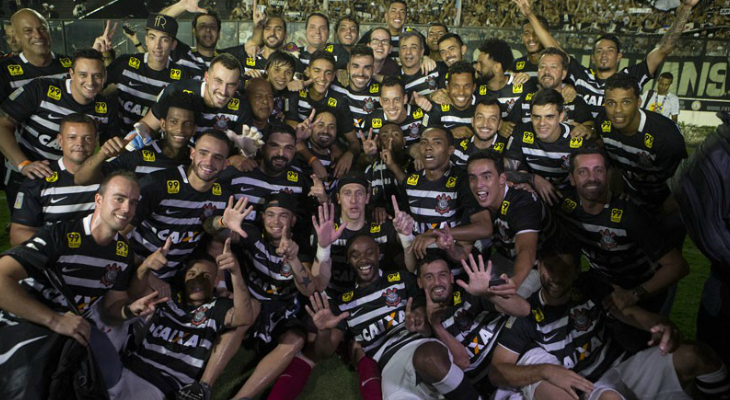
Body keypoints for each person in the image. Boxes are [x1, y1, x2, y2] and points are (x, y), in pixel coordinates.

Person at [0, 171, 169, 398]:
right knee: (29, 387)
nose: (127, 209)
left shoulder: (123, 253)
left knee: (108, 379)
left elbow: (111, 311)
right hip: (31, 319)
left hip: (75, 328)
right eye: (119, 199)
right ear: (98, 199)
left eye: (133, 202)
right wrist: (55, 320)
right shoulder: (59, 234)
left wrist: (130, 310)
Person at [490, 243, 730, 400]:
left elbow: (625, 311)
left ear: (576, 271)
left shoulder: (590, 286)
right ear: (539, 266)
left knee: (698, 355)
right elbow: (497, 372)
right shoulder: (527, 312)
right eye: (550, 268)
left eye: (565, 269)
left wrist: (658, 323)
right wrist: (546, 371)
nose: (556, 277)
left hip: (623, 367)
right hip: (590, 387)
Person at [306, 234, 485, 400]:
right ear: (348, 260)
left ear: (378, 253)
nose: (363, 259)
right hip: (390, 366)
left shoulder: (401, 278)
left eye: (369, 252)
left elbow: (426, 316)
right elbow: (324, 353)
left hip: (418, 345)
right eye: (355, 255)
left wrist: (419, 320)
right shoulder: (344, 303)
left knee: (427, 358)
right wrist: (322, 332)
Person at [208, 193, 317, 400]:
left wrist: (293, 260)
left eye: (283, 216)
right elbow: (212, 236)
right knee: (253, 305)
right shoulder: (250, 234)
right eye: (270, 215)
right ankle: (203, 387)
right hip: (251, 305)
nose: (275, 222)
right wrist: (222, 221)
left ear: (293, 220)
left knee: (297, 339)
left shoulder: (301, 246)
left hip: (281, 312)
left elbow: (309, 289)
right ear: (263, 217)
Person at [559, 144, 689, 317]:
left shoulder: (631, 215)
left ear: (609, 174)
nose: (592, 178)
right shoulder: (565, 208)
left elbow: (678, 266)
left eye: (598, 170)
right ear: (572, 178)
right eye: (583, 171)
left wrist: (634, 294)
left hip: (642, 294)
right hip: (603, 286)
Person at [109, 246, 254, 400]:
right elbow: (135, 292)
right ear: (185, 277)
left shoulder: (217, 307)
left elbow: (244, 317)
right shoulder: (169, 296)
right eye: (192, 274)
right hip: (126, 368)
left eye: (206, 276)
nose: (197, 279)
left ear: (215, 282)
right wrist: (145, 266)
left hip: (161, 385)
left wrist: (235, 273)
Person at [513, 0, 700, 116]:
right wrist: (530, 14)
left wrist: (685, 9)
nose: (604, 55)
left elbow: (664, 48)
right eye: (599, 51)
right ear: (592, 57)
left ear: (619, 56)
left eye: (610, 50)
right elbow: (554, 48)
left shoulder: (630, 77)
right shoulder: (581, 76)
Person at [0, 48, 117, 214]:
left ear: (104, 76)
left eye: (97, 75)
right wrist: (23, 164)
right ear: (72, 73)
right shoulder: (41, 89)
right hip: (28, 177)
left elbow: (109, 151)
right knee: (27, 233)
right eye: (83, 74)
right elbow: (2, 124)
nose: (90, 82)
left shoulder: (106, 107)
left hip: (70, 182)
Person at [127, 130, 232, 292]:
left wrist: (222, 287)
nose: (209, 162)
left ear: (225, 164)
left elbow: (216, 246)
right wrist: (149, 276)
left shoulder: (223, 197)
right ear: (192, 154)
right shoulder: (157, 184)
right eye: (203, 153)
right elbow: (117, 236)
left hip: (171, 279)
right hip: (131, 270)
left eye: (217, 157)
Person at [417, 253, 530, 395]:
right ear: (419, 283)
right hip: (492, 386)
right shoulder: (425, 325)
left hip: (520, 356)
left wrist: (487, 293)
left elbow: (523, 309)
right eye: (429, 277)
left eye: (443, 275)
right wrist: (436, 325)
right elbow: (463, 362)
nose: (437, 282)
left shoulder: (470, 292)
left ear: (452, 277)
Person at [597, 74, 687, 213]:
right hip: (629, 198)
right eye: (611, 103)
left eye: (626, 102)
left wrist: (660, 216)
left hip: (664, 205)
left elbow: (683, 186)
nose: (618, 110)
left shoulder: (667, 138)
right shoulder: (602, 121)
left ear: (638, 102)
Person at [10, 114, 99, 245]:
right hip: (53, 258)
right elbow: (18, 233)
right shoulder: (40, 177)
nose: (79, 144)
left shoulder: (109, 177)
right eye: (72, 137)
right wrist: (58, 247)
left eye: (87, 138)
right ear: (60, 140)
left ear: (96, 141)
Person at [73, 93, 197, 185]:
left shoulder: (199, 162)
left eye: (187, 124)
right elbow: (81, 179)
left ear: (195, 128)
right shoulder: (139, 154)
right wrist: (102, 154)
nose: (180, 129)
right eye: (174, 122)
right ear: (163, 124)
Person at [104, 13, 189, 137]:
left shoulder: (181, 77)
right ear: (146, 39)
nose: (157, 46)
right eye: (152, 37)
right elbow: (92, 88)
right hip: (119, 143)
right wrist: (95, 52)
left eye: (164, 39)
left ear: (173, 44)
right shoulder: (124, 64)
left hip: (156, 148)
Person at [138, 53, 252, 139]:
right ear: (206, 77)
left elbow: (242, 149)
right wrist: (131, 142)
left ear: (237, 85)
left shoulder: (242, 106)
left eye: (231, 85)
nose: (223, 91)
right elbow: (147, 126)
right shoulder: (178, 91)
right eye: (218, 81)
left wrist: (246, 153)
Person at [504, 88, 586, 205]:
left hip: (572, 201)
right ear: (531, 116)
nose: (542, 123)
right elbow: (506, 172)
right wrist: (533, 179)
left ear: (561, 116)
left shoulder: (577, 137)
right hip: (535, 197)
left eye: (549, 117)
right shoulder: (521, 132)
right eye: (537, 117)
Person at [285, 50, 360, 179]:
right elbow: (291, 128)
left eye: (328, 73)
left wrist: (349, 154)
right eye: (317, 71)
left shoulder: (339, 101)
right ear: (308, 71)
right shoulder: (296, 91)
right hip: (297, 146)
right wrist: (312, 160)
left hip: (324, 149)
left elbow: (354, 143)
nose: (322, 78)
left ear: (333, 75)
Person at [400, 126, 477, 234]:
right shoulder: (409, 182)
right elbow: (404, 233)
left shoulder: (462, 181)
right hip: (416, 249)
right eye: (423, 142)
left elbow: (483, 227)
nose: (428, 147)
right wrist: (404, 236)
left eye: (437, 143)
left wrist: (435, 235)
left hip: (450, 249)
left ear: (451, 150)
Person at [506, 47, 592, 136]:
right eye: (542, 67)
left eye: (553, 67)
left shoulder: (575, 101)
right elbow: (508, 127)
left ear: (563, 74)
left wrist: (587, 129)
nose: (546, 71)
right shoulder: (525, 101)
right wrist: (503, 127)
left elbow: (591, 129)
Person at [0, 8, 70, 103]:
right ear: (17, 37)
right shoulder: (3, 71)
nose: (38, 35)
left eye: (42, 29)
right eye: (28, 31)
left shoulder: (72, 64)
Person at [475, 38, 537, 121]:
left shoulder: (524, 86)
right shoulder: (475, 88)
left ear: (497, 67)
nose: (477, 68)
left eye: (481, 64)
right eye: (477, 63)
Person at [423, 61, 478, 139]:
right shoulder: (437, 107)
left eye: (467, 86)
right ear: (448, 87)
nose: (461, 92)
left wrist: (474, 136)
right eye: (455, 86)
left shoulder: (482, 107)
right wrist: (449, 134)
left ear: (474, 88)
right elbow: (424, 137)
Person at [331, 44, 380, 130]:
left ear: (373, 69)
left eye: (367, 67)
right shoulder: (334, 87)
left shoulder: (382, 92)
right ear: (348, 67)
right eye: (356, 66)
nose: (361, 73)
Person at [451, 98, 509, 168]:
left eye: (492, 119)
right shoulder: (457, 149)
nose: (485, 124)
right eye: (480, 117)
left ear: (499, 124)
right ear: (472, 121)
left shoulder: (508, 150)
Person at [398, 31, 445, 98]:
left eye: (414, 47)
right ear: (399, 52)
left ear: (421, 52)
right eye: (404, 48)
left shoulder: (435, 68)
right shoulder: (395, 78)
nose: (408, 52)